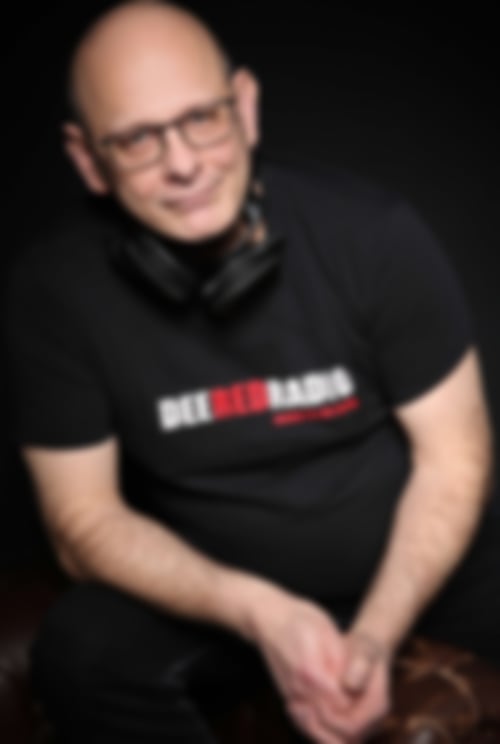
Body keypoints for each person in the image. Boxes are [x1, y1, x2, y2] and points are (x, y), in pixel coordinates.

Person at [4, 1, 500, 742]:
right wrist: (259, 612)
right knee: (82, 652)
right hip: (219, 597)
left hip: (413, 571)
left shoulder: (374, 235)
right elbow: (83, 524)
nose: (183, 164)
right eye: (136, 139)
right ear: (86, 160)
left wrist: (373, 638)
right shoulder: (55, 292)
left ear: (245, 107)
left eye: (201, 118)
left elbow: (454, 462)